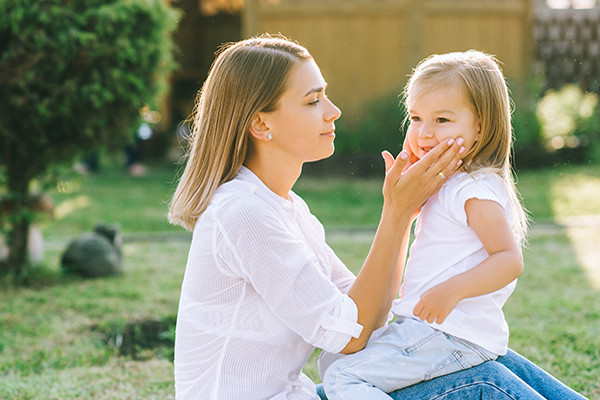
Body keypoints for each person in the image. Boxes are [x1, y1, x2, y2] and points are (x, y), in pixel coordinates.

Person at [168, 35, 585, 400]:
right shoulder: (244, 214)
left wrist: (402, 213)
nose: (333, 111)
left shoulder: (287, 210)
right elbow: (348, 336)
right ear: (261, 123)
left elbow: (367, 315)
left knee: (475, 352)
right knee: (476, 377)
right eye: (313, 101)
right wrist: (397, 212)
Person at [320, 51, 587, 400]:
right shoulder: (449, 184)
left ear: (480, 128)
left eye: (442, 120)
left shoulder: (472, 189)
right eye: (416, 118)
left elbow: (509, 259)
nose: (425, 132)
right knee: (333, 363)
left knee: (342, 377)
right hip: (431, 330)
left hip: (449, 334)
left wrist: (452, 290)